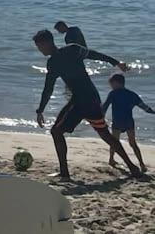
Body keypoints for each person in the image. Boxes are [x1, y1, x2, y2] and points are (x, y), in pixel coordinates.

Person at [32, 29, 139, 179]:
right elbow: (95, 55)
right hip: (90, 98)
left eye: (39, 47)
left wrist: (40, 110)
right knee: (105, 134)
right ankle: (132, 167)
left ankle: (64, 173)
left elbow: (48, 88)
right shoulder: (72, 50)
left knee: (57, 132)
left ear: (47, 43)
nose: (39, 50)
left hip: (82, 101)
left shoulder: (57, 60)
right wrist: (116, 63)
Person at [103, 73, 155, 172]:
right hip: (129, 122)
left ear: (116, 83)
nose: (111, 86)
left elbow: (105, 107)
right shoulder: (132, 94)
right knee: (133, 143)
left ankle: (111, 159)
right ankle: (142, 164)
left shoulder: (113, 94)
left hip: (117, 122)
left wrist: (100, 118)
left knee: (114, 142)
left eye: (111, 84)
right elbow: (145, 108)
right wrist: (153, 112)